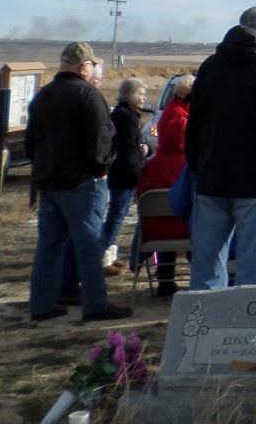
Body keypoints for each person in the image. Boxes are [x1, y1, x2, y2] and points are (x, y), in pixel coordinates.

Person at [185, 6, 256, 290]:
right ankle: (251, 334)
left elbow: (194, 127)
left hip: (211, 181)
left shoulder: (209, 67)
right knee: (255, 274)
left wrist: (198, 168)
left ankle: (202, 328)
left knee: (206, 269)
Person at [27, 41, 131, 322]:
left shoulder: (43, 96)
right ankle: (96, 306)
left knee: (48, 247)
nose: (93, 69)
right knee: (89, 247)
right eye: (92, 65)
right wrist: (102, 167)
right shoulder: (88, 95)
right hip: (82, 184)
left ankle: (41, 305)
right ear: (84, 67)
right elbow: (101, 140)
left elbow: (30, 143)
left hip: (49, 183)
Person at [134, 74, 192, 296]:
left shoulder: (151, 166)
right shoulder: (191, 167)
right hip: (188, 230)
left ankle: (165, 281)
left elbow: (141, 197)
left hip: (155, 232)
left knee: (164, 221)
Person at [101, 77, 148, 277]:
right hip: (124, 174)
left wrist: (143, 149)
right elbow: (128, 153)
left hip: (123, 172)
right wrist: (140, 173)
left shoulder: (128, 115)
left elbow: (133, 148)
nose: (145, 98)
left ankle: (109, 255)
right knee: (116, 216)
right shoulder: (125, 117)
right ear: (131, 95)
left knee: (117, 214)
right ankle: (101, 259)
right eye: (141, 94)